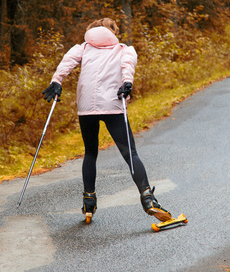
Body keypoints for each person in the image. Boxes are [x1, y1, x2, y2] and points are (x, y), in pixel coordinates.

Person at [42, 18, 171, 222]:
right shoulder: (124, 49)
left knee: (90, 153)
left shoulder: (83, 47)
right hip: (113, 104)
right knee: (130, 153)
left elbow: (67, 61)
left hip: (87, 107)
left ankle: (89, 202)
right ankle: (148, 198)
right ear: (113, 31)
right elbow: (128, 65)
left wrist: (56, 81)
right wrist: (127, 83)